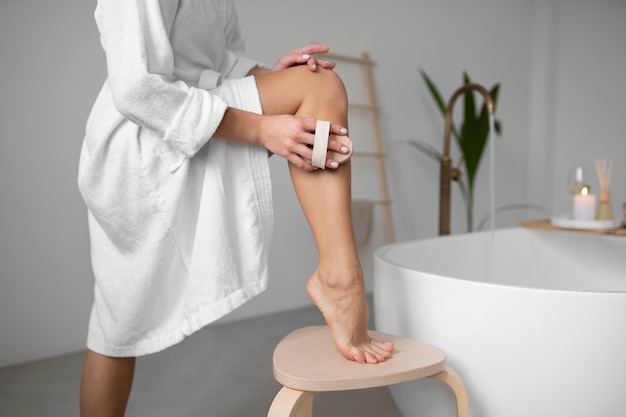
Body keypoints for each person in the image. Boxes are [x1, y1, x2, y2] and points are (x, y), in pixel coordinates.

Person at [78, 1, 394, 416]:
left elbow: (215, 60)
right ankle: (340, 280)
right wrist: (263, 127)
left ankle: (340, 279)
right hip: (140, 146)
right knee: (117, 328)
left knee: (314, 86)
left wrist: (268, 79)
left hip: (187, 116)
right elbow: (137, 89)